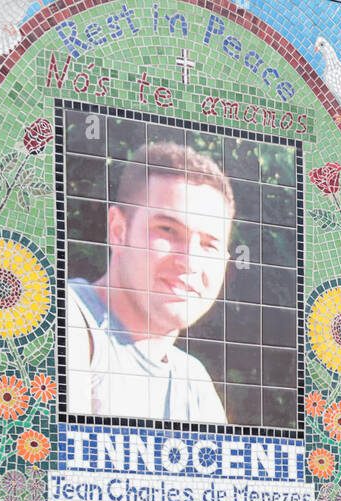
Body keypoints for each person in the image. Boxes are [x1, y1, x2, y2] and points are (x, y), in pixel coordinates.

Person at [66, 141, 232, 423]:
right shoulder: (66, 320)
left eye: (209, 244)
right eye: (167, 230)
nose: (189, 261)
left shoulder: (193, 383)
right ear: (119, 231)